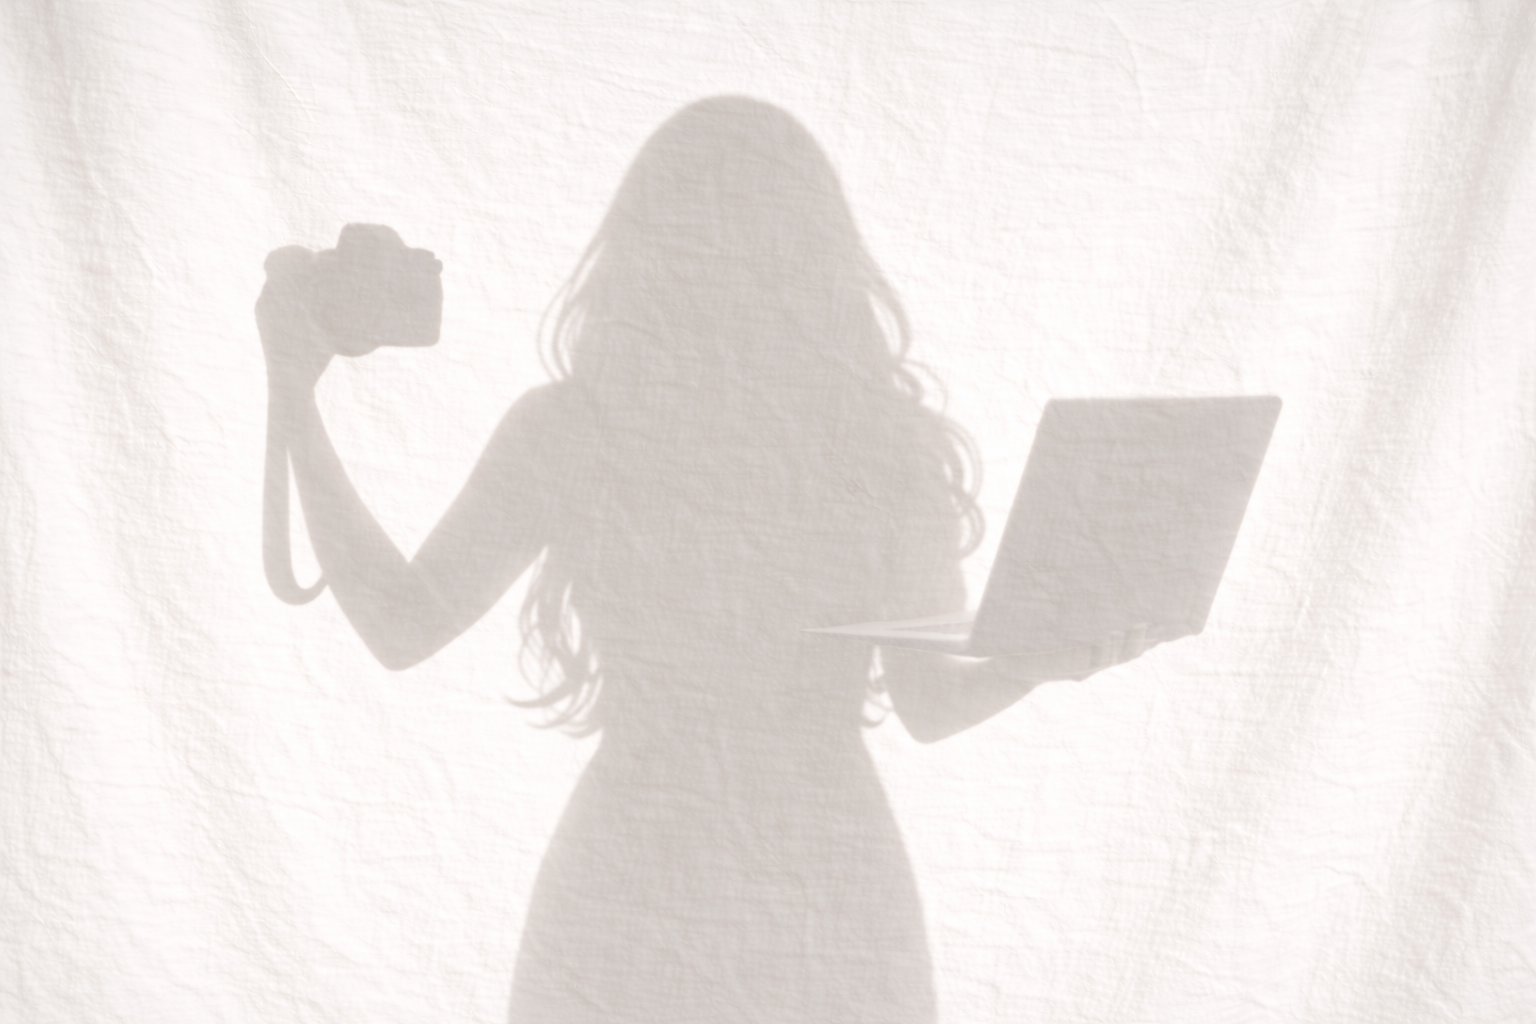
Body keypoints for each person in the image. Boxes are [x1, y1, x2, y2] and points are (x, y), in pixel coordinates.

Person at [257, 96, 1149, 1024]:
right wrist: (1043, 661)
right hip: (823, 885)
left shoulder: (576, 429)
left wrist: (295, 394)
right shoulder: (875, 440)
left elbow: (400, 623)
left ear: (641, 245)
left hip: (633, 872)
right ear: (821, 252)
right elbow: (932, 703)